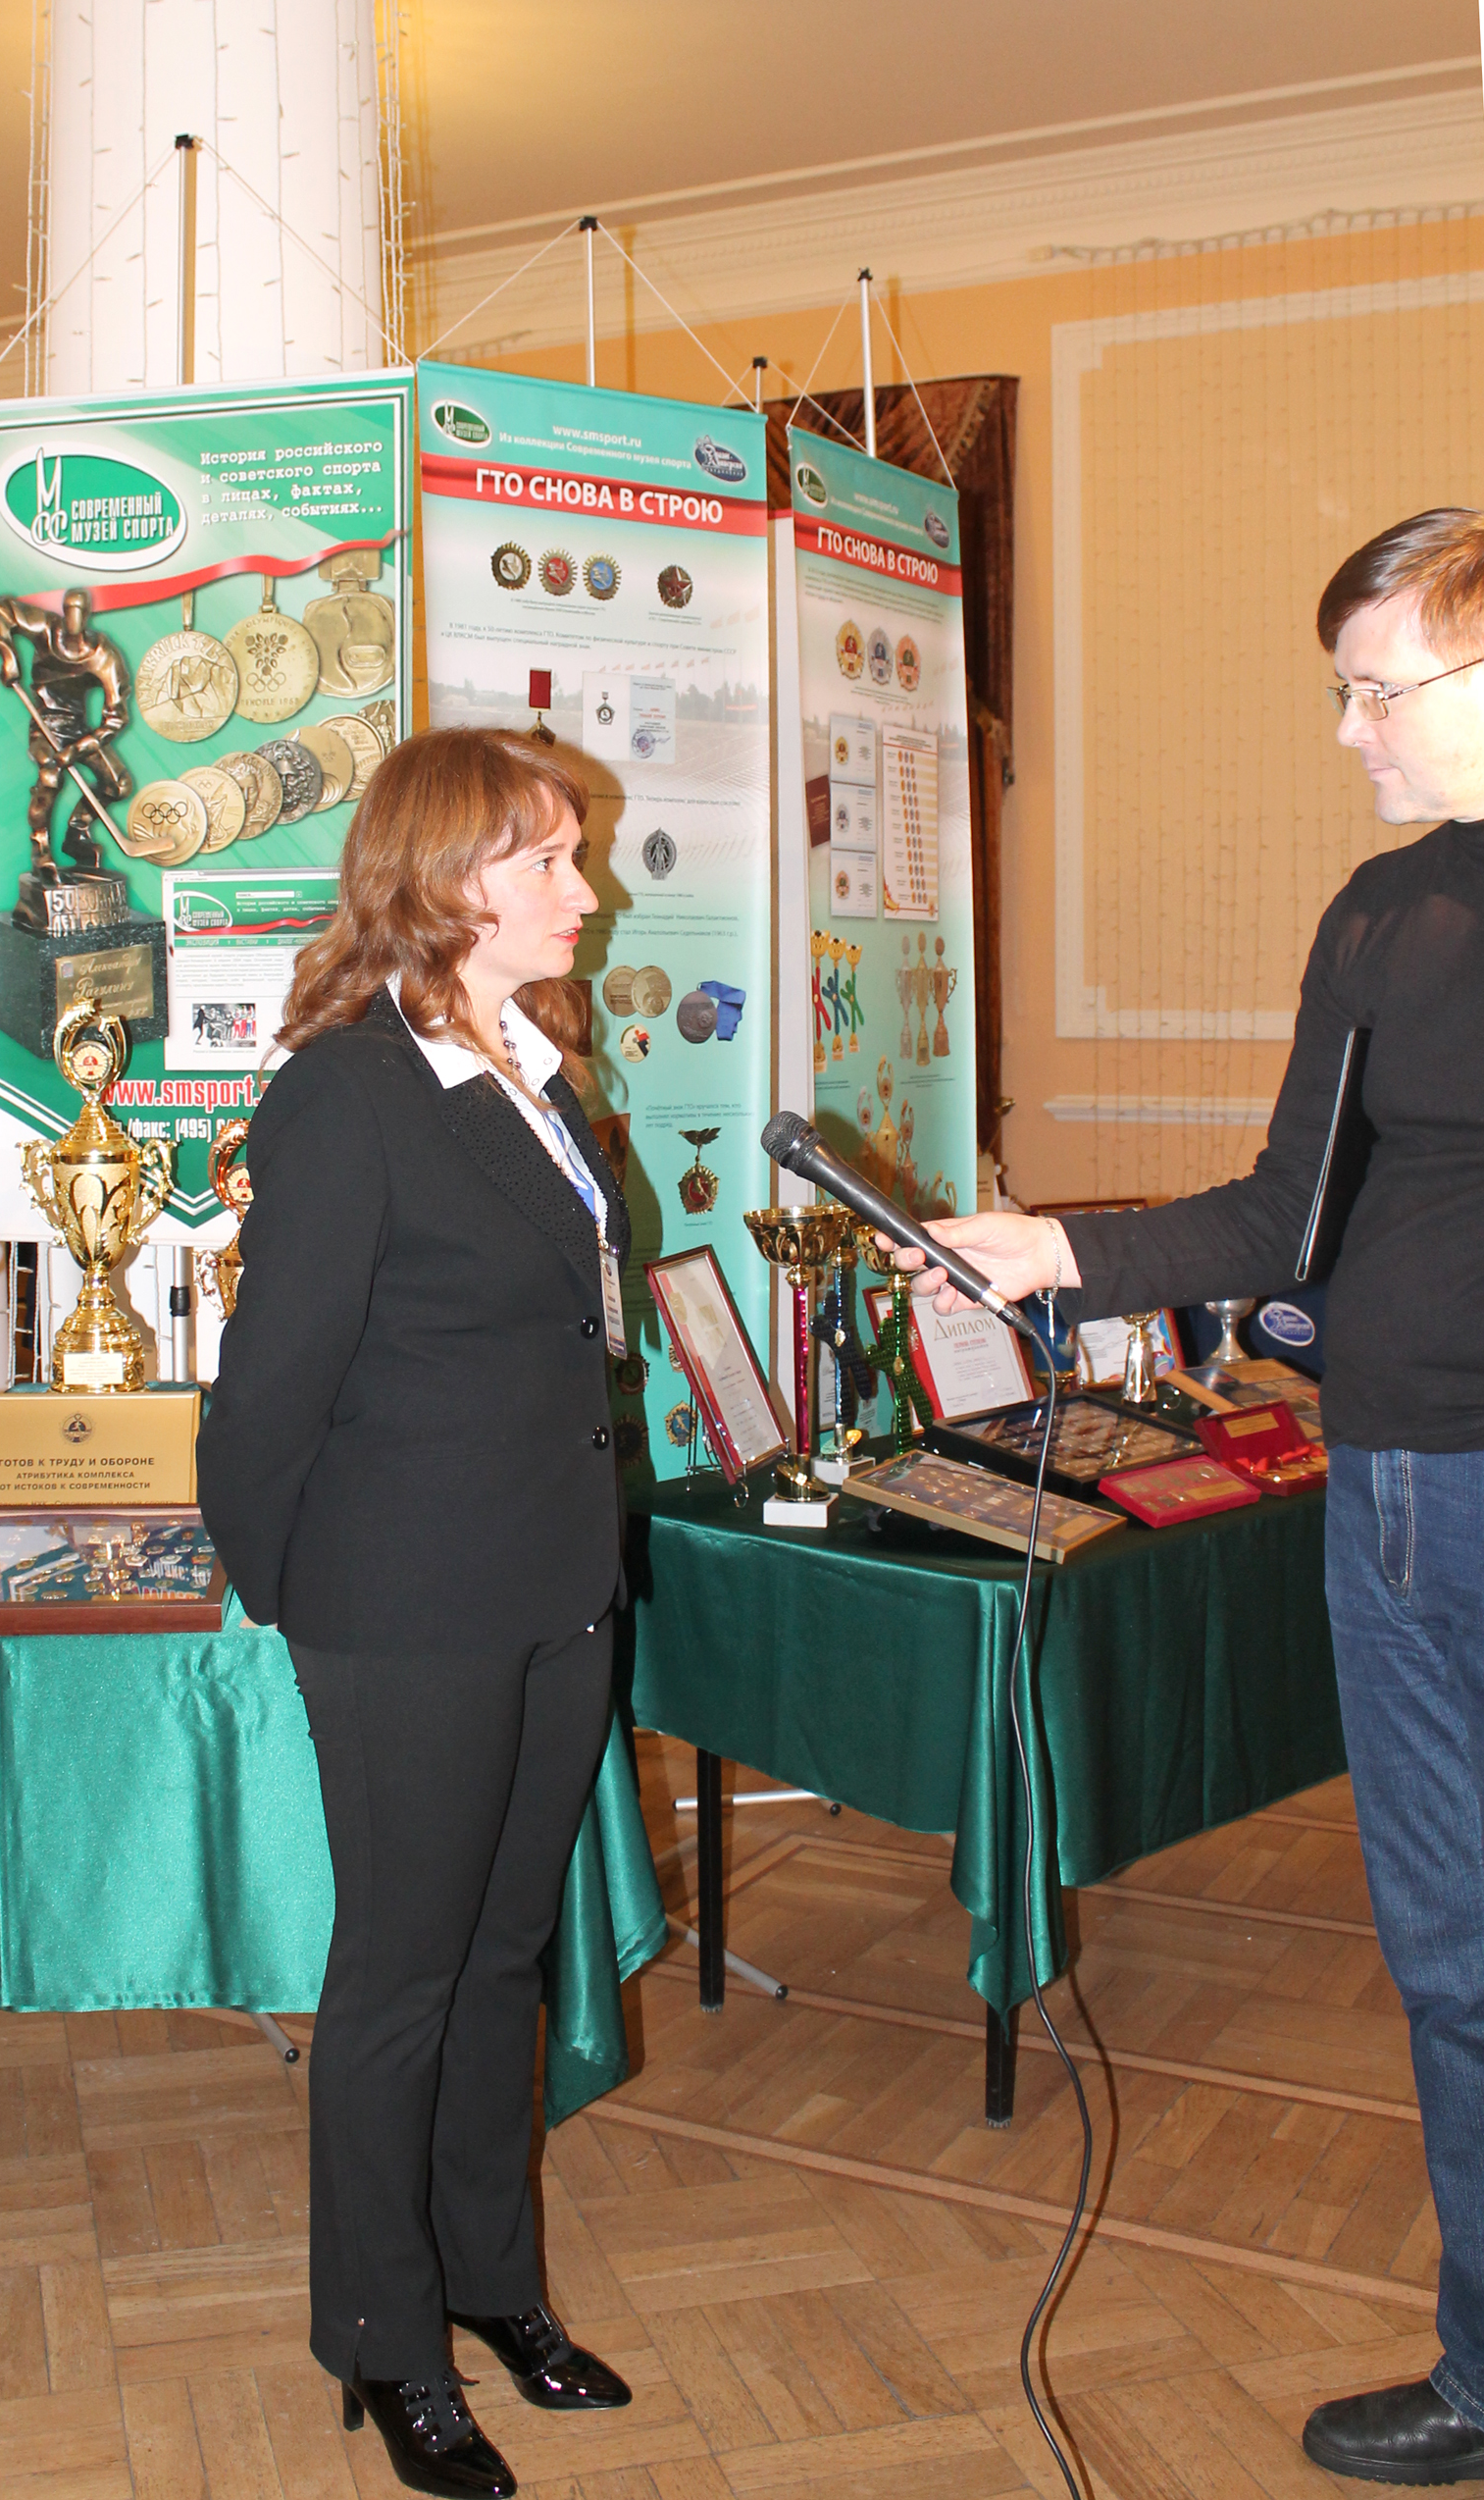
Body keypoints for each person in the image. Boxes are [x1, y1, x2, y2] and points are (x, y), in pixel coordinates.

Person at [898, 507, 1484, 2486]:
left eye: (1377, 689)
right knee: (1455, 1954)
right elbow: (1284, 1214)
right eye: (1342, 688)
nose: (1348, 729)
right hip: (1398, 1487)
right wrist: (1050, 1249)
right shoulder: (1382, 913)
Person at [197, 727, 635, 2500]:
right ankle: (386, 2341)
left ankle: (490, 2284)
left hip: (555, 1588)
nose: (585, 889)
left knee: (504, 1959)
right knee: (399, 1980)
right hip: (406, 1613)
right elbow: (267, 1392)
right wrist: (308, 1605)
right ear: (453, 883)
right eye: (552, 861)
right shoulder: (349, 1090)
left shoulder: (540, 1072)